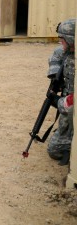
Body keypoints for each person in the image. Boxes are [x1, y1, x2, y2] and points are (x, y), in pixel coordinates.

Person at [46, 18, 75, 165]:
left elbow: (72, 103)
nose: (60, 42)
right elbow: (56, 55)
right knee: (54, 150)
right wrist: (55, 76)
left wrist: (59, 102)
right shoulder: (67, 52)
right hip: (69, 108)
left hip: (71, 106)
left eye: (62, 39)